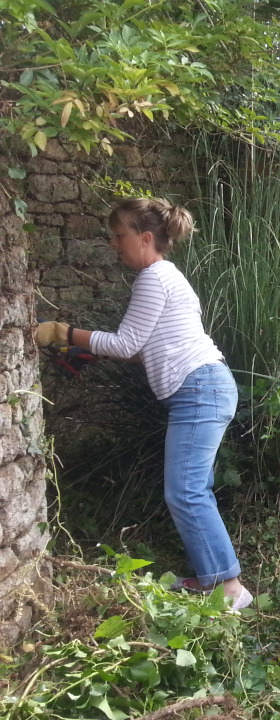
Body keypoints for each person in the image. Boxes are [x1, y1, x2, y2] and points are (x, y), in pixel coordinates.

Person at [35, 198, 251, 610]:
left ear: (145, 237)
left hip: (199, 389)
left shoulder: (154, 278)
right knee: (191, 490)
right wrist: (87, 347)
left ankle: (229, 591)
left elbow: (128, 343)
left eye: (120, 236)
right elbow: (142, 350)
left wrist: (64, 331)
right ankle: (218, 583)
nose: (115, 245)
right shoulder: (169, 277)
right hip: (203, 387)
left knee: (186, 493)